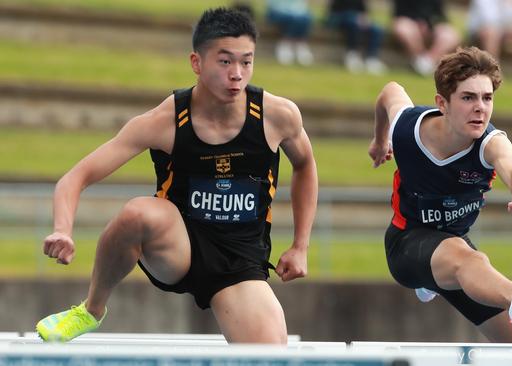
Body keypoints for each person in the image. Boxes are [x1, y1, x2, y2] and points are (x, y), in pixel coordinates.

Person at [36, 7, 318, 343]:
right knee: (137, 214)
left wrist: (300, 246)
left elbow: (305, 165)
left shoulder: (278, 116)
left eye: (247, 61)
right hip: (178, 245)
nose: (237, 75)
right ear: (197, 63)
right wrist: (62, 230)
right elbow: (75, 177)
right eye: (225, 61)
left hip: (241, 261)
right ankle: (90, 311)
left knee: (269, 356)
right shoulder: (166, 120)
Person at [368, 47, 512, 342]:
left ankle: (496, 296)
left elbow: (510, 162)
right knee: (471, 260)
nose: (480, 108)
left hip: (455, 248)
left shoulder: (490, 142)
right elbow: (390, 91)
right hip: (406, 243)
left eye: (487, 98)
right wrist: (380, 139)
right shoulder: (409, 129)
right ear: (442, 103)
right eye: (468, 97)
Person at [467, 0, 512, 85]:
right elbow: (488, 19)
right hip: (479, 31)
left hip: (500, 31)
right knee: (491, 33)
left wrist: (510, 5)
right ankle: (495, 72)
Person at [391, 0, 460, 76]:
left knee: (449, 35)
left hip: (431, 26)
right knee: (404, 28)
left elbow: (441, 16)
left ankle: (428, 61)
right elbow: (399, 13)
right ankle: (419, 60)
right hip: (409, 22)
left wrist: (431, 24)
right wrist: (418, 22)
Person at [326, 0, 387, 75]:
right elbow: (335, 10)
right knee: (353, 23)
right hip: (338, 17)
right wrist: (355, 16)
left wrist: (364, 18)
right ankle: (352, 54)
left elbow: (364, 12)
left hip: (357, 18)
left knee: (376, 29)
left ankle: (371, 58)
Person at [266, 0, 314, 66]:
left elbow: (301, 6)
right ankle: (286, 44)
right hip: (276, 11)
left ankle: (300, 44)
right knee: (293, 18)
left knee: (305, 18)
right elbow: (274, 5)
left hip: (296, 12)